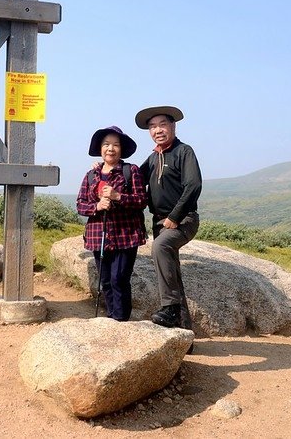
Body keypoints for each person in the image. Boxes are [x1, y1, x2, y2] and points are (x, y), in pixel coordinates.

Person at [135, 106, 202, 332]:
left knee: (161, 246)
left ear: (173, 126)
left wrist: (175, 216)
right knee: (173, 276)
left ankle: (170, 308)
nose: (157, 130)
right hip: (159, 222)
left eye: (162, 124)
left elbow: (193, 186)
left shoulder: (184, 152)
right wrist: (105, 169)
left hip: (184, 221)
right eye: (152, 127)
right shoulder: (154, 157)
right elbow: (133, 177)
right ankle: (185, 333)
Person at [76, 126, 148, 321]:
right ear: (100, 148)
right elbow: (80, 204)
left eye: (116, 145)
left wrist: (118, 196)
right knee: (105, 281)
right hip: (98, 235)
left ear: (121, 149)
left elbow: (142, 200)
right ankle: (111, 318)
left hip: (126, 235)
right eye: (106, 144)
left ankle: (121, 320)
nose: (111, 148)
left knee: (119, 279)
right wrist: (97, 207)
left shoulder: (130, 171)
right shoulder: (91, 175)